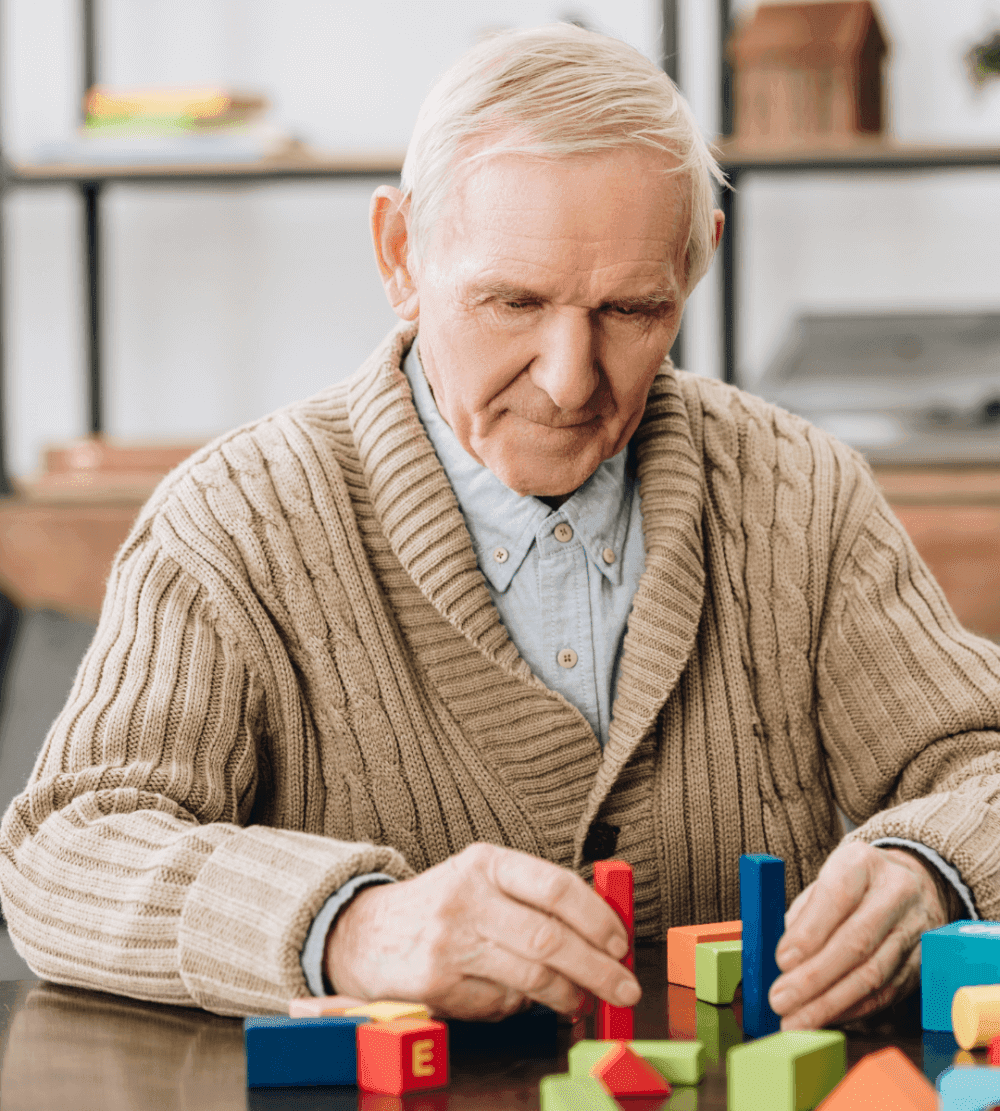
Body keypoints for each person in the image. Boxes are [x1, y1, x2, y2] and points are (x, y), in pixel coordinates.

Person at [1, 24, 998, 1029]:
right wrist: (346, 927)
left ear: (695, 268)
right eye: (512, 303)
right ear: (400, 255)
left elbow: (983, 763)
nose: (569, 379)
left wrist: (934, 866)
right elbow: (64, 856)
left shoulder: (800, 494)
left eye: (630, 310)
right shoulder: (230, 524)